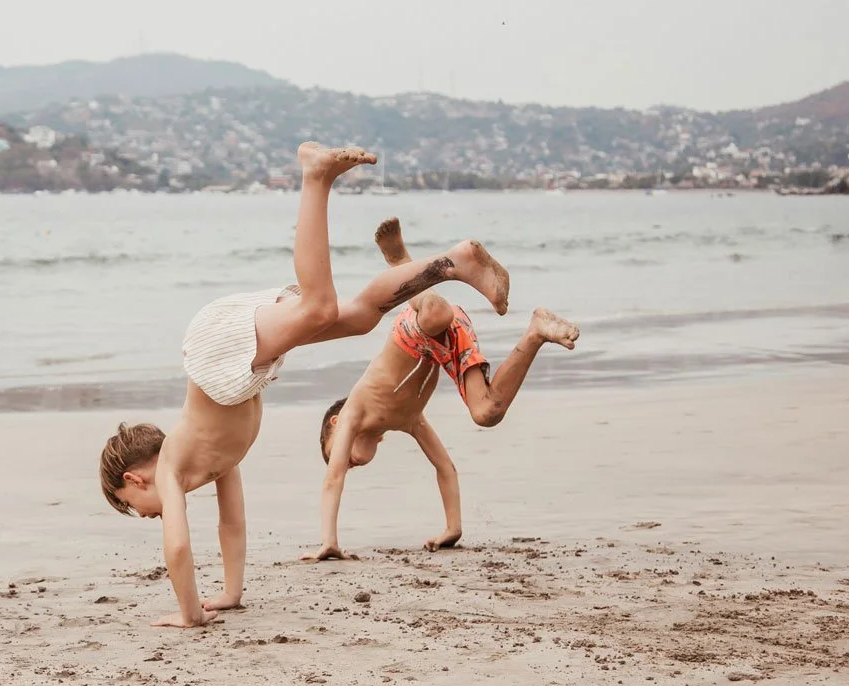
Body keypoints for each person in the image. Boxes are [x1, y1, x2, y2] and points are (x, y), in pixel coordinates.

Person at [98, 148, 512, 628]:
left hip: (217, 352)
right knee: (357, 318)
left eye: (138, 510)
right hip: (233, 364)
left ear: (135, 479)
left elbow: (178, 545)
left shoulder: (171, 468)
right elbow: (231, 525)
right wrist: (231, 594)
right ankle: (453, 262)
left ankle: (315, 178)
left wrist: (189, 614)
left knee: (318, 306)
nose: (151, 516)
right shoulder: (214, 463)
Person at [306, 217, 578, 561]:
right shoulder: (408, 420)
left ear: (335, 423)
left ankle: (402, 264)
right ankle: (536, 331)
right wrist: (454, 528)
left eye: (337, 456)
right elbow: (445, 468)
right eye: (346, 465)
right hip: (444, 344)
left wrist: (328, 540)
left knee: (435, 313)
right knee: (487, 412)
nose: (344, 464)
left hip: (415, 329)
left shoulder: (353, 413)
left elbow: (331, 481)